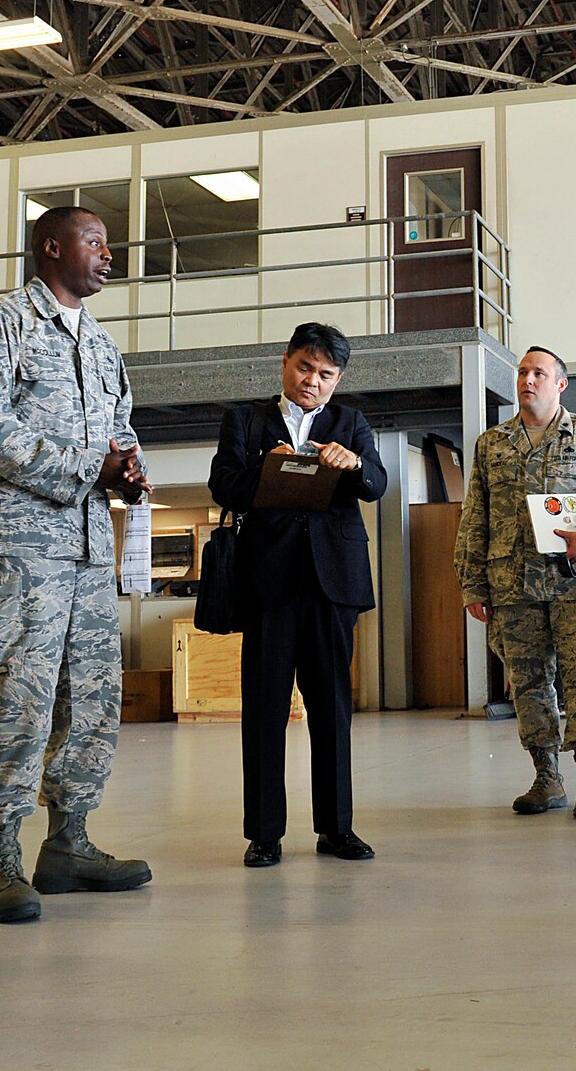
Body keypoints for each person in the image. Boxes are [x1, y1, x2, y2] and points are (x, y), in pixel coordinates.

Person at [0, 205, 153, 924]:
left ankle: (69, 842)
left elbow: (121, 432)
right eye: (94, 242)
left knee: (92, 700)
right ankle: (1, 858)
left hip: (91, 552)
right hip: (18, 551)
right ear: (51, 246)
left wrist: (129, 471)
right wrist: (83, 465)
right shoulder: (4, 323)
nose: (108, 254)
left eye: (108, 244)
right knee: (18, 703)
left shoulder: (100, 345)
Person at [208, 323, 386, 867]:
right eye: (305, 368)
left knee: (332, 707)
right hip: (269, 583)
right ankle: (264, 834)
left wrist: (352, 463)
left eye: (326, 374)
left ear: (338, 379)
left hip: (333, 584)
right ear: (285, 362)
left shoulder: (350, 423)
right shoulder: (246, 420)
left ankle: (336, 829)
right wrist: (271, 467)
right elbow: (223, 485)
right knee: (264, 709)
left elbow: (376, 485)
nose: (313, 381)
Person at [454, 347, 576, 820]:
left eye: (539, 373)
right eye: (522, 372)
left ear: (561, 383)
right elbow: (475, 516)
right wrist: (473, 583)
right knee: (530, 685)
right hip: (512, 585)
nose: (528, 380)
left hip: (575, 585)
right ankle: (546, 776)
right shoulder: (492, 444)